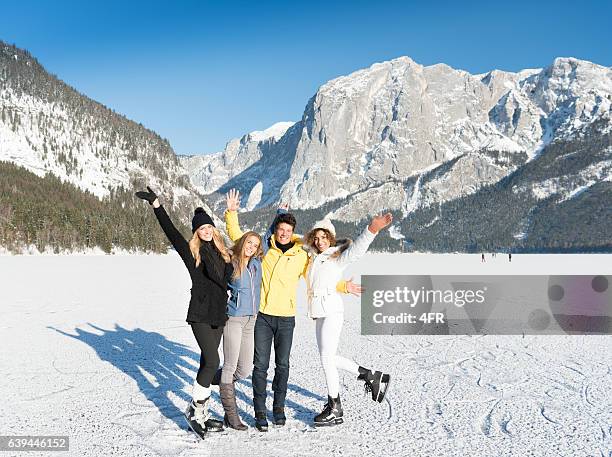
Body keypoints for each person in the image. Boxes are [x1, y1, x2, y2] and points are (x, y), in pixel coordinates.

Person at [224, 189, 358, 432]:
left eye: (288, 231)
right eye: (280, 230)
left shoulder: (301, 256)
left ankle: (279, 408)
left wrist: (344, 287)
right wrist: (232, 212)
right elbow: (238, 237)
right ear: (275, 230)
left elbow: (318, 281)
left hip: (286, 318)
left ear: (292, 232)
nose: (284, 234)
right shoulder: (265, 251)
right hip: (263, 316)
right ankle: (260, 411)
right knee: (260, 365)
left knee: (283, 366)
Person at [136, 186, 232, 439]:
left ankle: (204, 412)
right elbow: (171, 233)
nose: (206, 231)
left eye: (209, 227)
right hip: (200, 314)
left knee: (206, 363)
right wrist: (157, 205)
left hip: (219, 315)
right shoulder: (193, 252)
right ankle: (195, 409)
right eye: (202, 229)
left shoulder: (224, 254)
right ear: (197, 233)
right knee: (213, 361)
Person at [304, 215, 393, 426]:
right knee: (328, 359)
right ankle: (371, 376)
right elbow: (319, 279)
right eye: (316, 238)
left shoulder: (336, 256)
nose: (319, 241)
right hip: (318, 312)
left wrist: (372, 229)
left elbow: (357, 251)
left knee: (327, 359)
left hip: (332, 310)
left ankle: (335, 406)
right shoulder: (314, 258)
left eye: (324, 237)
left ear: (331, 239)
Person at [216, 192, 264, 431]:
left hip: (251, 321)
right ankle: (231, 415)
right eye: (249, 243)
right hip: (233, 320)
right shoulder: (231, 261)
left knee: (244, 369)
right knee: (230, 366)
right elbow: (232, 235)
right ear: (243, 243)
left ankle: (214, 380)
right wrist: (231, 213)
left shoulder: (257, 264)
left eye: (255, 245)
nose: (251, 247)